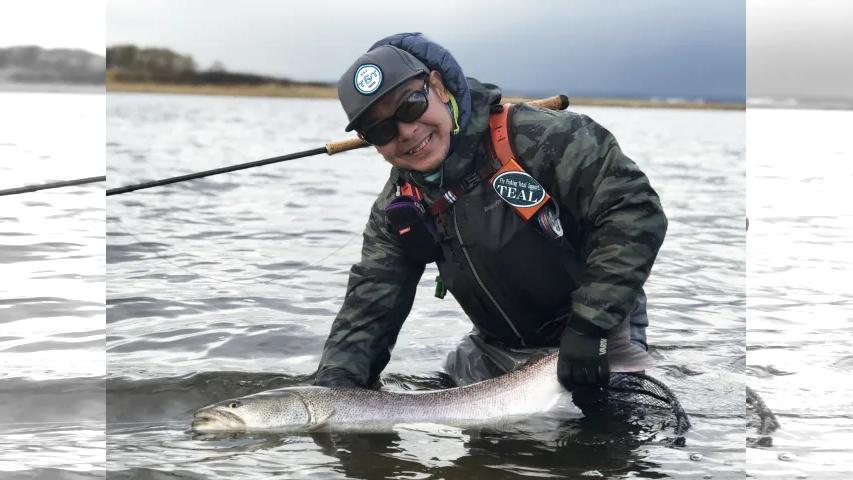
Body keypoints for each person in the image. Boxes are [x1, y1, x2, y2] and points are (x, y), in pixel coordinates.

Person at [314, 33, 667, 395]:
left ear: (437, 87)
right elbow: (369, 310)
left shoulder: (548, 137)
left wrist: (590, 325)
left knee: (606, 428)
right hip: (493, 348)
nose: (406, 132)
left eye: (411, 106)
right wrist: (331, 390)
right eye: (381, 129)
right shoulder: (397, 210)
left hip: (597, 332)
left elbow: (634, 211)